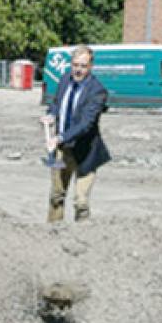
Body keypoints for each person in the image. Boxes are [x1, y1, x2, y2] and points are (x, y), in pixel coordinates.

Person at [40, 45, 111, 223]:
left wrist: (59, 137)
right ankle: (53, 233)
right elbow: (57, 104)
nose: (78, 70)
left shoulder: (97, 91)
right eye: (75, 65)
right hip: (62, 150)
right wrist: (51, 115)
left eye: (83, 66)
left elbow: (85, 124)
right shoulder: (65, 80)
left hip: (85, 152)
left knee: (81, 201)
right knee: (56, 196)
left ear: (91, 66)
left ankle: (82, 236)